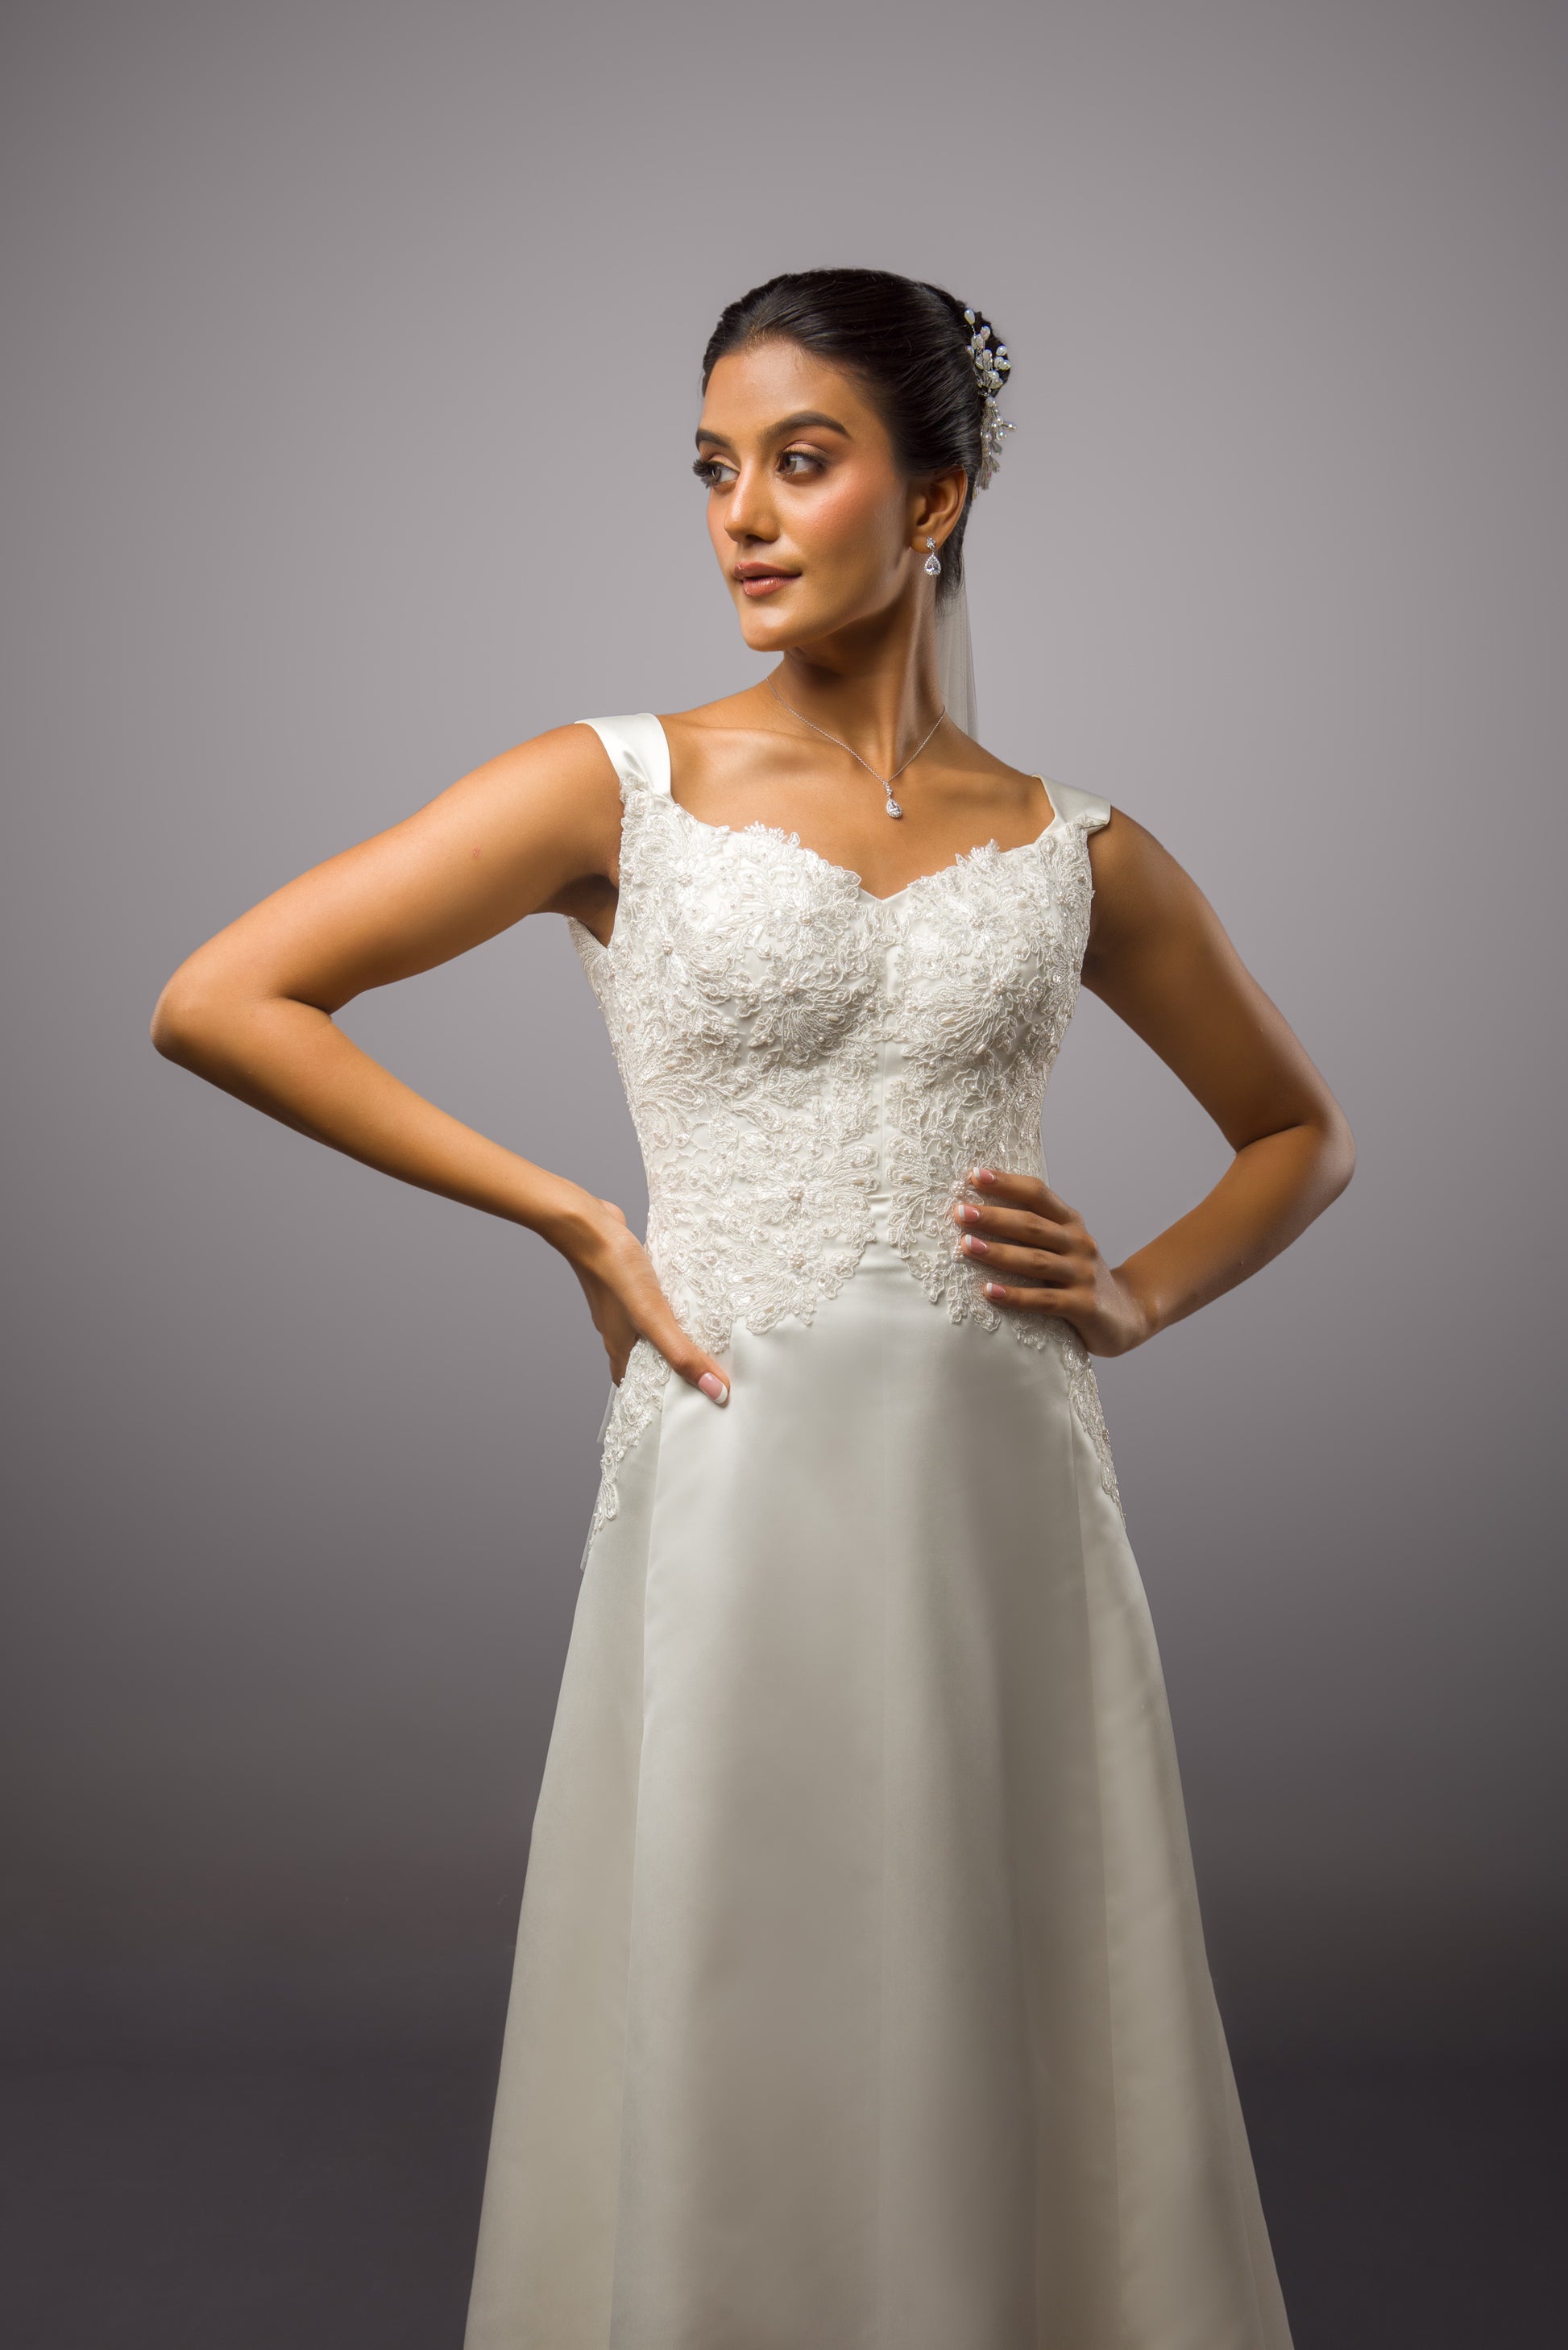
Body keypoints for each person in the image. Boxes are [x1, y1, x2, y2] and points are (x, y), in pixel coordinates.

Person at [152, 266, 1351, 2348]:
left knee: (1000, 1970)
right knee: (736, 1958)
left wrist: (1140, 1294)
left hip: (997, 1489)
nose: (743, 516)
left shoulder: (1073, 849)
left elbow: (1296, 1131)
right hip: (733, 1454)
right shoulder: (612, 784)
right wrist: (570, 1217)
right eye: (714, 468)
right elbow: (224, 997)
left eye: (803, 461)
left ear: (934, 498)